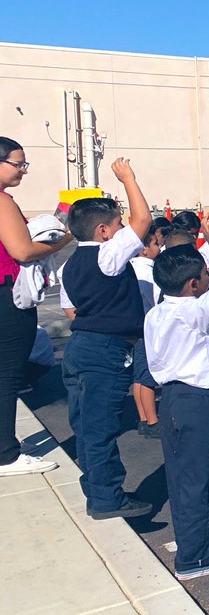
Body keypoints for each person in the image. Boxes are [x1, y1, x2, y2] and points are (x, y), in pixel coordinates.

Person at [143, 218, 209, 580]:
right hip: (196, 401)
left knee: (185, 479)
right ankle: (197, 557)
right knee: (204, 480)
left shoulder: (159, 311)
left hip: (174, 401)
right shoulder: (190, 310)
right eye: (205, 273)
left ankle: (192, 549)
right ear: (193, 283)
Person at [61, 158, 153, 517]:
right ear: (102, 230)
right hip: (105, 350)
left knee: (86, 427)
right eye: (117, 225)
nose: (122, 231)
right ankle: (106, 498)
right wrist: (128, 178)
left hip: (80, 347)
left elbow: (71, 311)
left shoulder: (71, 265)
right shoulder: (107, 255)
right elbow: (143, 221)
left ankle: (96, 488)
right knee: (100, 428)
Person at [0, 136, 71, 477]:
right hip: (7, 297)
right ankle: (6, 454)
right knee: (8, 374)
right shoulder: (1, 201)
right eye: (18, 164)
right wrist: (61, 240)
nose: (23, 171)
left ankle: (4, 442)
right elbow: (23, 251)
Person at [131, 228, 162, 438]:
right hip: (147, 328)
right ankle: (152, 420)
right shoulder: (148, 271)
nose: (159, 249)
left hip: (135, 327)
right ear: (144, 249)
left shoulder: (130, 267)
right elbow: (157, 300)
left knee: (139, 376)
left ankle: (143, 417)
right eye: (156, 244)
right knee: (147, 376)